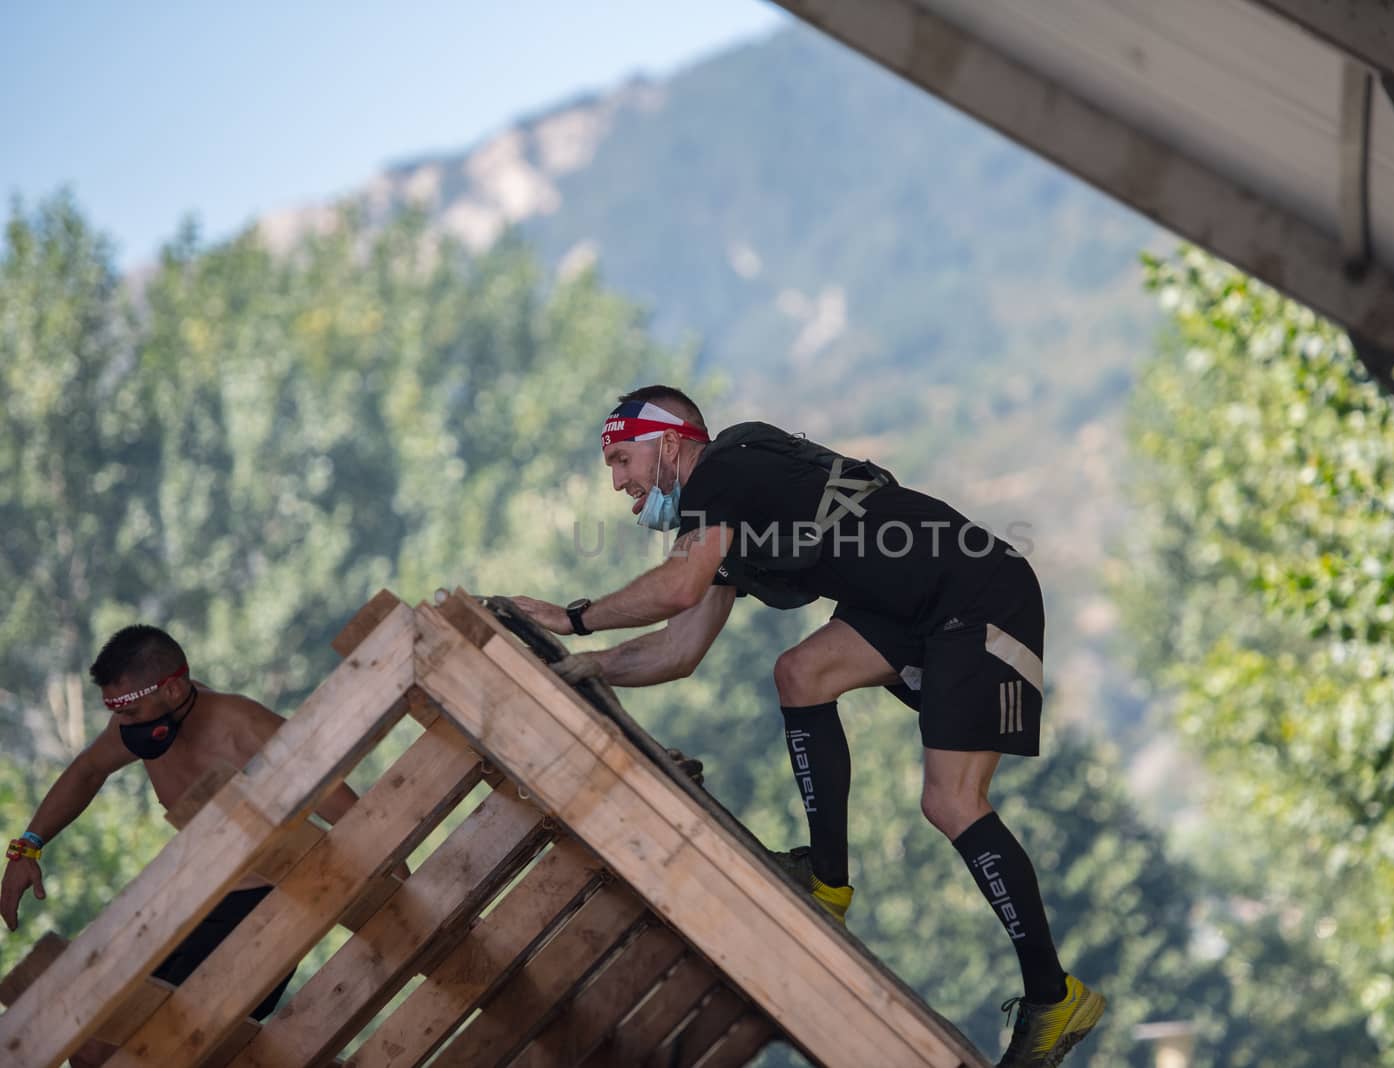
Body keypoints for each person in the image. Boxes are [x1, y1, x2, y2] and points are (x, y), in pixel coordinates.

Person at [511, 385, 1105, 1066]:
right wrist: (586, 668)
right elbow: (678, 649)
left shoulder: (725, 468)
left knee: (951, 802)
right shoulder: (727, 520)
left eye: (621, 460)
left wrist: (573, 617)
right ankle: (829, 884)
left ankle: (1054, 997)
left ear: (669, 441)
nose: (617, 483)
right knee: (800, 673)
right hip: (909, 605)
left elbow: (676, 588)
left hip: (978, 593)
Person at [1, 624, 364, 1068]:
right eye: (117, 713)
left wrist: (385, 883)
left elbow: (354, 814)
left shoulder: (243, 726)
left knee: (174, 1048)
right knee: (92, 1046)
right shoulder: (137, 726)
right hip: (195, 901)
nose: (122, 726)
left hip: (270, 906)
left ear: (173, 691)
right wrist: (27, 850)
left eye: (131, 712)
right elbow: (86, 772)